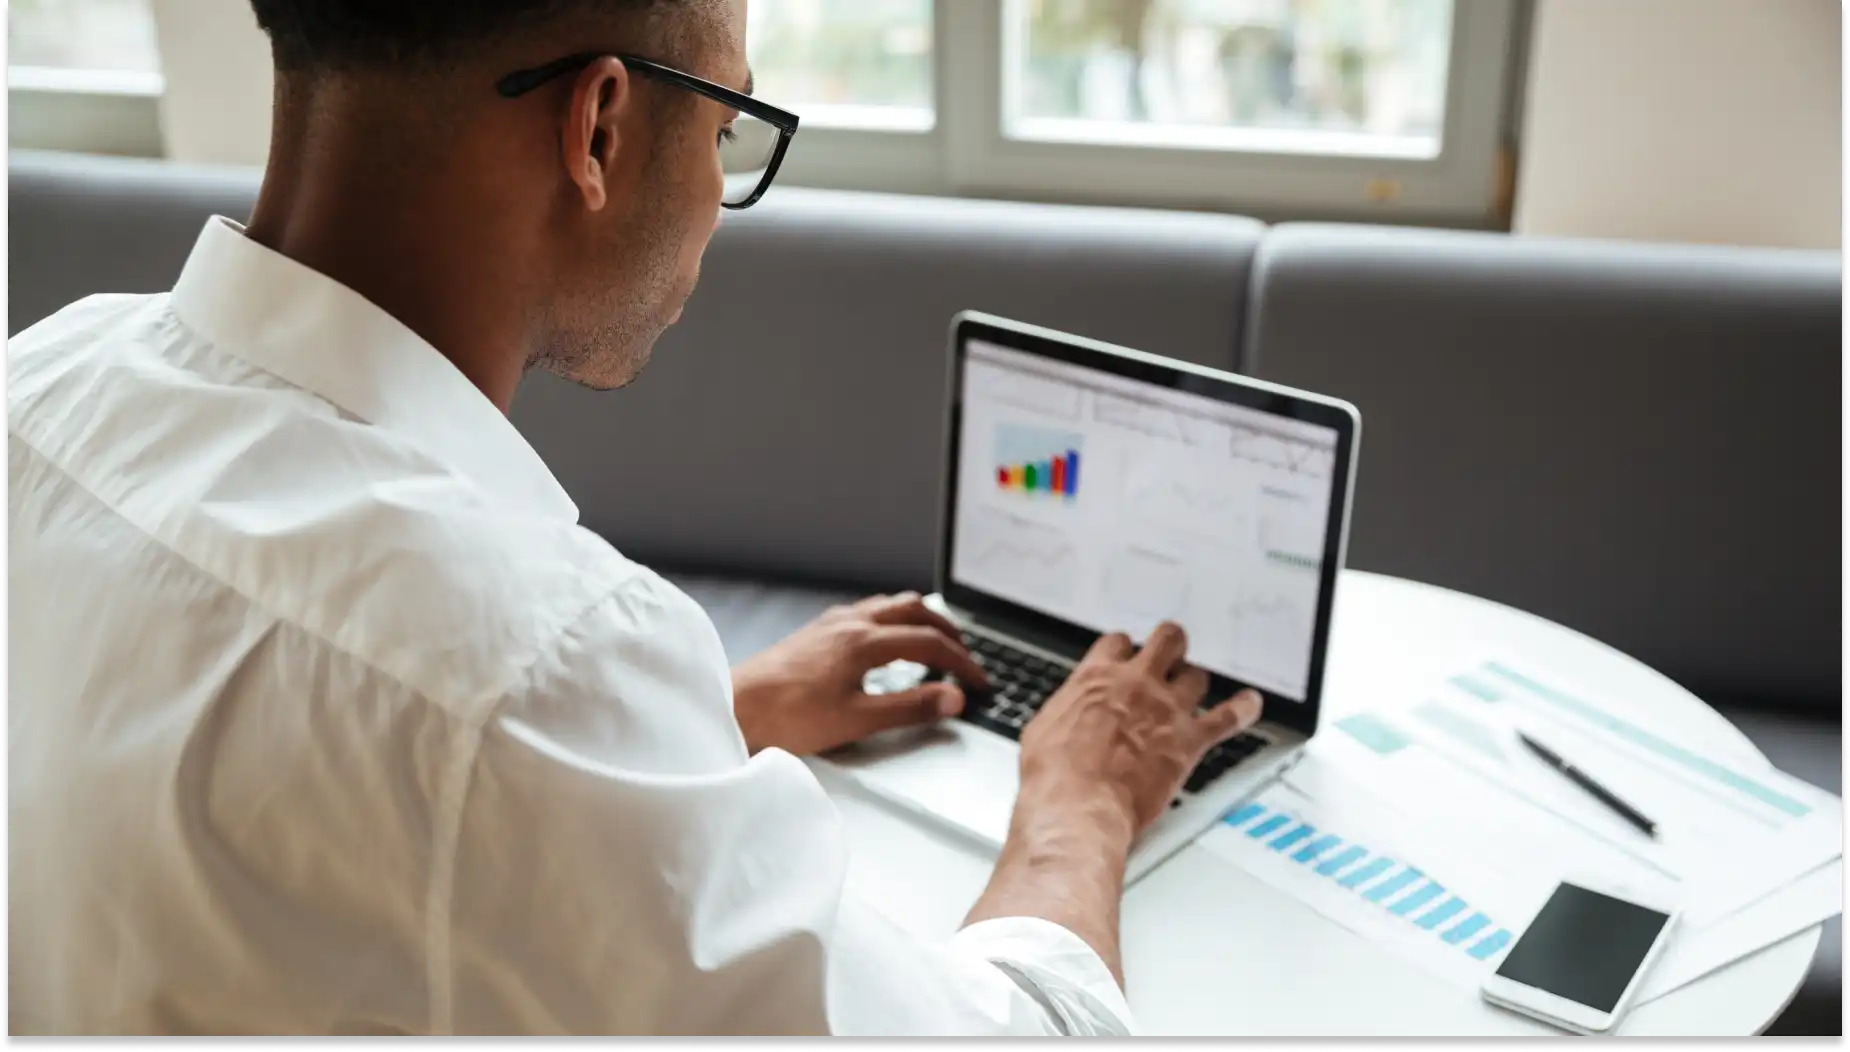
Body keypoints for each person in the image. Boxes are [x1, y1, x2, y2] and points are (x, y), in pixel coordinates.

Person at [6, 0, 1263, 1036]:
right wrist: (1079, 805)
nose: (718, 191)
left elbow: (302, 781)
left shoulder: (39, 386)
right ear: (599, 126)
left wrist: (710, 716)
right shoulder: (528, 663)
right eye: (726, 129)